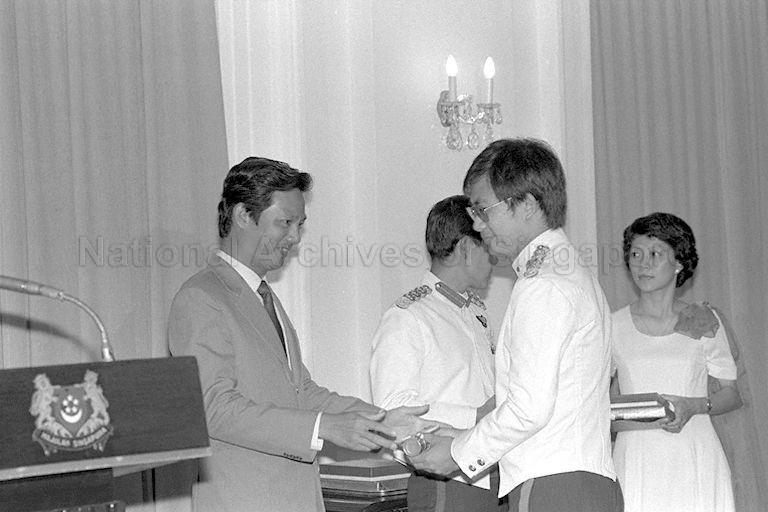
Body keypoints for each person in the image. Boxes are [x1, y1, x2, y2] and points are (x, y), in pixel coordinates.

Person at [167, 156, 432, 512]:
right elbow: (212, 409)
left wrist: (383, 422)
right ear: (243, 215)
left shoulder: (264, 297)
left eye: (300, 225)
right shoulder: (202, 296)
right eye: (285, 223)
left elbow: (301, 393)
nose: (294, 237)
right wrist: (323, 427)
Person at [408, 138, 623, 512]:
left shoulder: (543, 284)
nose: (476, 224)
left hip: (554, 488)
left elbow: (529, 408)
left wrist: (459, 454)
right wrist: (462, 435)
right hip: (575, 480)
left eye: (482, 210)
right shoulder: (566, 271)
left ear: (525, 205)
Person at [370, 195, 502, 512]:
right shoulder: (409, 316)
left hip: (491, 475)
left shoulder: (475, 312)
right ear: (465, 249)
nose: (495, 256)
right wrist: (474, 416)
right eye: (487, 244)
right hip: (447, 483)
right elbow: (393, 412)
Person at [611, 212, 742, 512]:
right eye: (635, 254)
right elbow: (600, 400)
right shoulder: (612, 325)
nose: (642, 263)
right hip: (636, 458)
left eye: (655, 254)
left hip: (694, 452)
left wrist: (694, 406)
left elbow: (730, 393)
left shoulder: (701, 318)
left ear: (679, 263)